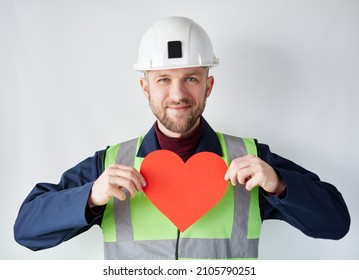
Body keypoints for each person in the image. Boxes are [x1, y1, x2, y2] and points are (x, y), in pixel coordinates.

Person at [14, 16, 350, 260]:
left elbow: (336, 223)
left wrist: (279, 183)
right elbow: (26, 229)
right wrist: (89, 197)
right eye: (163, 80)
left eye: (191, 78)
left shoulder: (249, 161)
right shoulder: (111, 166)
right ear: (145, 88)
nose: (178, 94)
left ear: (209, 85)